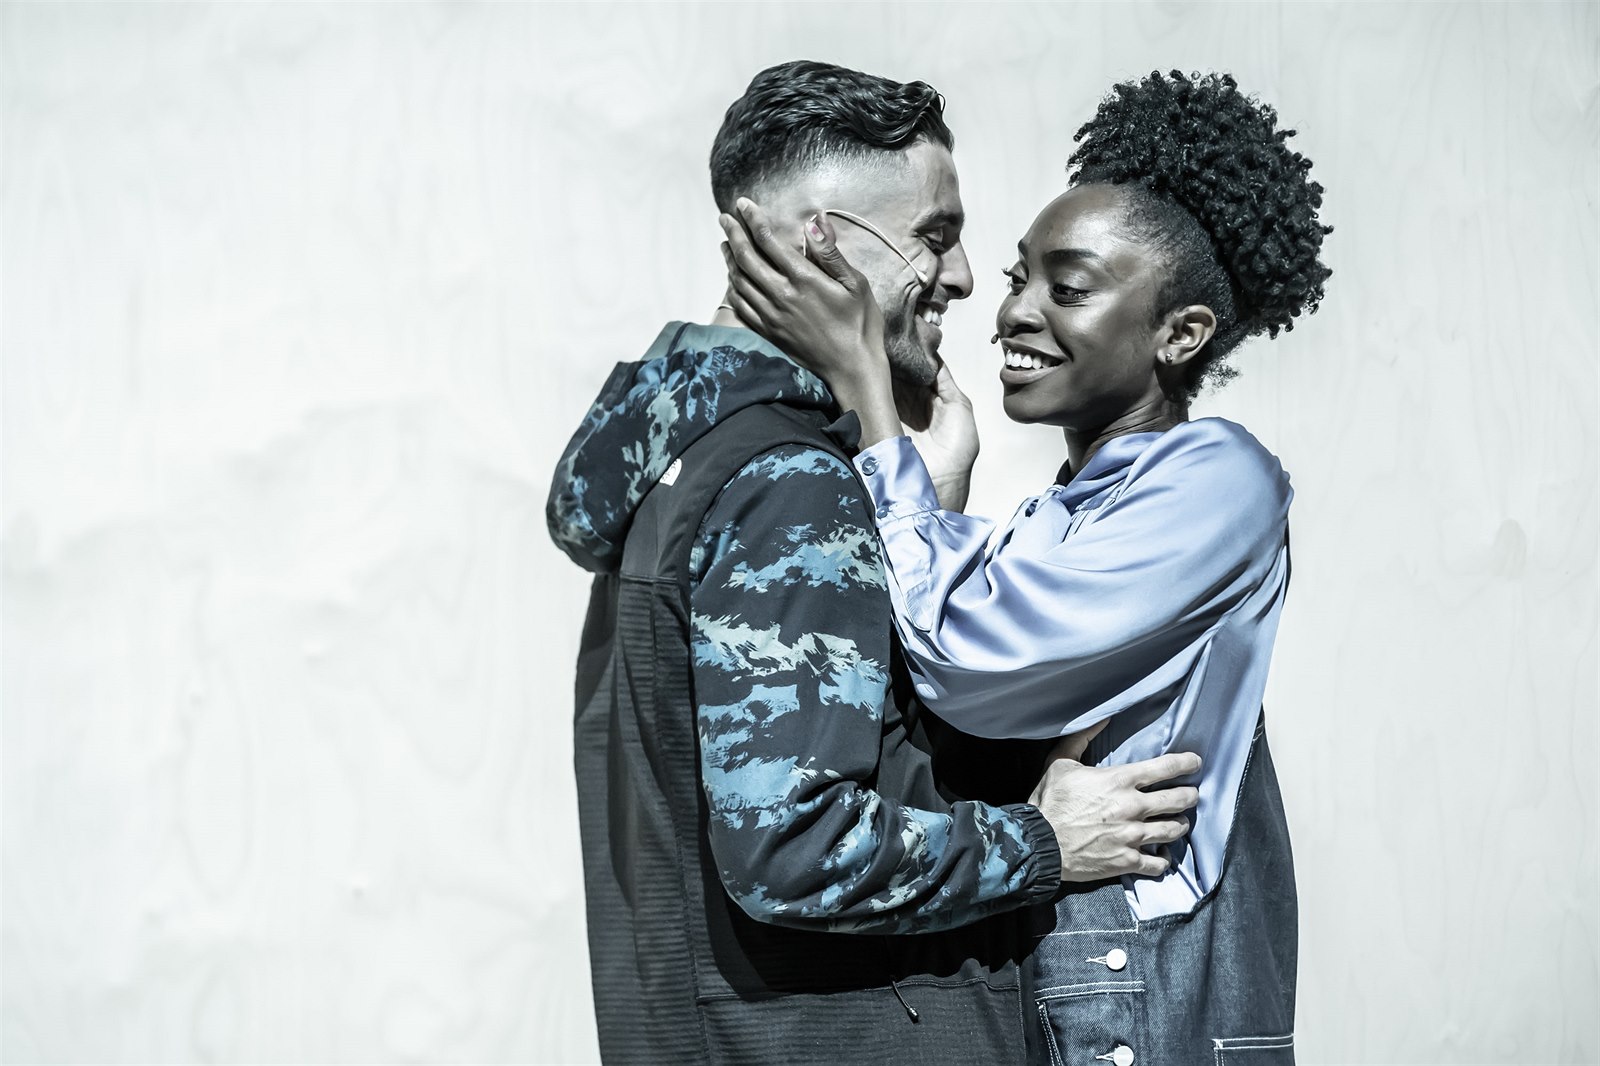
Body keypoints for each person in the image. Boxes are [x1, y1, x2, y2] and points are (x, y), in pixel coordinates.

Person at [546, 61, 1204, 1066]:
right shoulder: (788, 483)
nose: (964, 277)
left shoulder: (691, 459)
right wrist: (1043, 841)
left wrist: (925, 513)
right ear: (823, 243)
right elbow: (793, 849)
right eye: (934, 236)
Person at [720, 70, 1330, 1065]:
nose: (1011, 311)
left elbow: (968, 659)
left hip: (1144, 979)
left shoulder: (1220, 478)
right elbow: (940, 692)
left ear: (1180, 334)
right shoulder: (1057, 514)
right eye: (1018, 278)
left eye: (1068, 289)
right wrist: (942, 491)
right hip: (1061, 962)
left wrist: (871, 404)